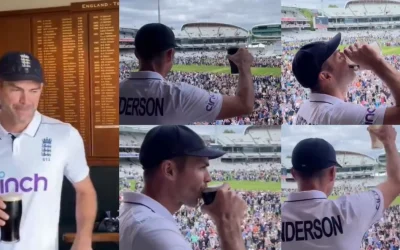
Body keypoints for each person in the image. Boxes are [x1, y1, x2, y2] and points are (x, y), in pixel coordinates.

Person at [0, 52, 97, 250]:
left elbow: (85, 190)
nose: (25, 100)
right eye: (16, 89)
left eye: (33, 90)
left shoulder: (64, 135)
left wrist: (84, 238)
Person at [119, 125, 248, 250]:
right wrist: (229, 225)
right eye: (202, 167)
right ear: (169, 170)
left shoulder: (135, 215)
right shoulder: (155, 232)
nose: (208, 178)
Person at [281, 126, 400, 250]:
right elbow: (396, 182)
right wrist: (389, 141)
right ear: (332, 173)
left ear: (294, 174)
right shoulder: (351, 209)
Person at [119, 23, 255, 125]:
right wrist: (244, 65)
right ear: (169, 54)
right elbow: (245, 105)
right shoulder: (180, 95)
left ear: (136, 54)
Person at [292, 32, 400, 125]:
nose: (345, 56)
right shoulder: (339, 114)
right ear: (326, 76)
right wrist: (376, 63)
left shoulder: (305, 108)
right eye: (339, 57)